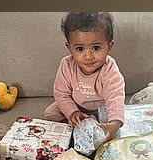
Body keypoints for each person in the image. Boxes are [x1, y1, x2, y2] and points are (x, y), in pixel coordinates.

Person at [43, 12, 124, 141]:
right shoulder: (66, 65)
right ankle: (73, 130)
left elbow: (115, 97)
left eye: (96, 48)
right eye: (80, 49)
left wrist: (115, 122)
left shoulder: (109, 68)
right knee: (50, 113)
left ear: (109, 46)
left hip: (102, 109)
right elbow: (61, 94)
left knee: (117, 122)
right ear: (69, 48)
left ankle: (100, 127)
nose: (88, 56)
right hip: (76, 106)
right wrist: (72, 112)